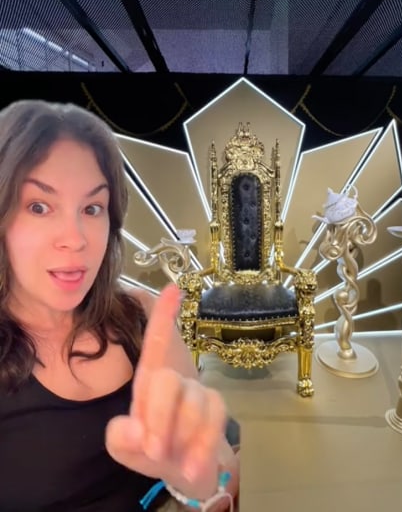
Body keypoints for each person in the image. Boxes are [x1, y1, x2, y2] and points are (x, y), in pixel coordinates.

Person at [0, 101, 239, 511]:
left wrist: (196, 481)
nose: (75, 239)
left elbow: (222, 479)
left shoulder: (142, 318)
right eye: (39, 206)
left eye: (92, 208)